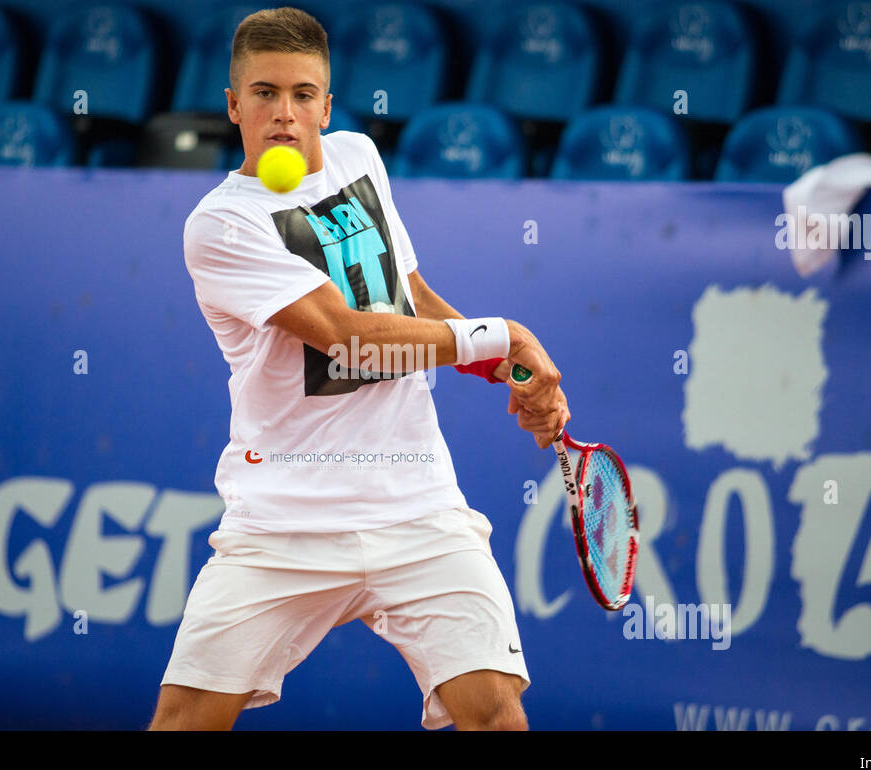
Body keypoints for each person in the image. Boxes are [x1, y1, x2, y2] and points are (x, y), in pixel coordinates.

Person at [150, 7, 569, 731]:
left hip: (417, 504)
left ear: (328, 104)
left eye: (303, 94)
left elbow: (407, 300)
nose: (285, 114)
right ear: (232, 104)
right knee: (186, 720)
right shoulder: (220, 226)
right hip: (284, 522)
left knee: (496, 714)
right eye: (264, 93)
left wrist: (506, 366)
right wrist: (503, 331)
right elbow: (348, 338)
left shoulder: (358, 157)